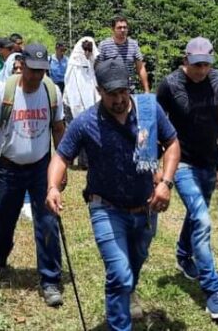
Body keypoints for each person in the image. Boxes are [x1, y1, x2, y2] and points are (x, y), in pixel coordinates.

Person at [47, 57, 181, 331]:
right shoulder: (86, 122)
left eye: (123, 91)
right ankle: (120, 325)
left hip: (145, 208)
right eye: (112, 94)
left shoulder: (148, 109)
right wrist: (52, 187)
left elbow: (172, 142)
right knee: (119, 273)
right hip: (105, 207)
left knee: (136, 261)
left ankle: (128, 290)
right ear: (99, 91)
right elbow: (61, 157)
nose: (119, 99)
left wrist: (165, 182)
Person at [0, 43, 65, 308]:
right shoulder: (5, 92)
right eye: (32, 70)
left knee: (48, 222)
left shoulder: (52, 91)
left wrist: (60, 167)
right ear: (22, 64)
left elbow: (59, 129)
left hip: (41, 168)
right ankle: (1, 257)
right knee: (5, 220)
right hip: (8, 167)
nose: (36, 76)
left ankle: (50, 280)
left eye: (42, 71)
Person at [156, 37, 218, 321]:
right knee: (201, 218)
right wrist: (157, 163)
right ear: (186, 59)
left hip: (209, 162)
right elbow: (155, 121)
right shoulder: (170, 85)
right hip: (182, 162)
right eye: (197, 64)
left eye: (207, 64)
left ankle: (183, 253)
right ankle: (214, 291)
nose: (202, 69)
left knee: (196, 213)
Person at [62, 37, 98, 169]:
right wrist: (77, 105)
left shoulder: (91, 64)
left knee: (86, 131)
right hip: (71, 103)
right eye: (86, 50)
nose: (88, 53)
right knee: (71, 131)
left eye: (90, 50)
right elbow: (71, 86)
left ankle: (85, 162)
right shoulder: (74, 65)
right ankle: (68, 159)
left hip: (87, 104)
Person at [98, 16, 149, 93]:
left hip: (128, 90)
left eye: (125, 27)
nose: (122, 30)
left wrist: (146, 90)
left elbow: (141, 68)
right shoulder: (104, 45)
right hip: (110, 91)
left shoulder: (133, 44)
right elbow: (99, 69)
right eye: (119, 27)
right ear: (113, 29)